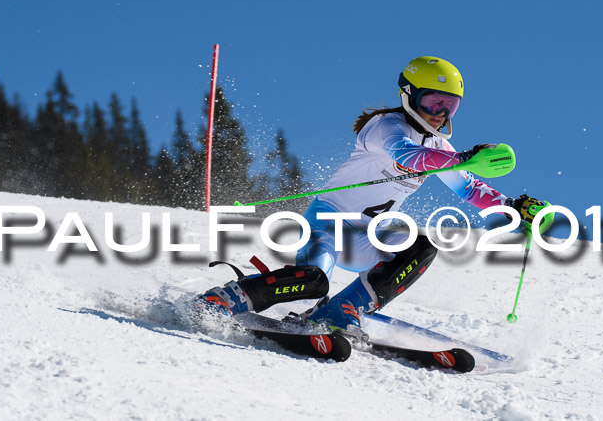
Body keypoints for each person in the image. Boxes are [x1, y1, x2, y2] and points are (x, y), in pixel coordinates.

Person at [198, 56, 547, 336]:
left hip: (366, 238)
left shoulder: (440, 146)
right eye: (433, 101)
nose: (440, 113)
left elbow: (468, 186)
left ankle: (339, 312)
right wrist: (462, 157)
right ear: (409, 95)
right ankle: (225, 299)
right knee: (315, 280)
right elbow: (406, 155)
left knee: (421, 247)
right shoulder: (384, 126)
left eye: (450, 106)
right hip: (326, 226)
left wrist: (513, 207)